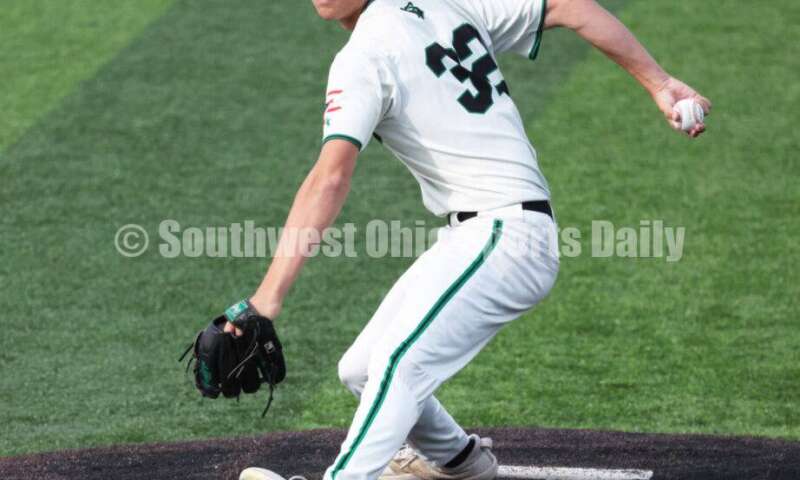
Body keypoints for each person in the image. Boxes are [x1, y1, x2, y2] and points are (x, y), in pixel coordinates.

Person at [235, 1, 711, 479]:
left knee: (400, 364)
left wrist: (265, 301)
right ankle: (460, 461)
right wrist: (659, 82)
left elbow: (330, 179)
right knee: (359, 368)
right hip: (480, 234)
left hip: (504, 236)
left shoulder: (361, 58)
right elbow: (571, 6)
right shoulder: (446, 3)